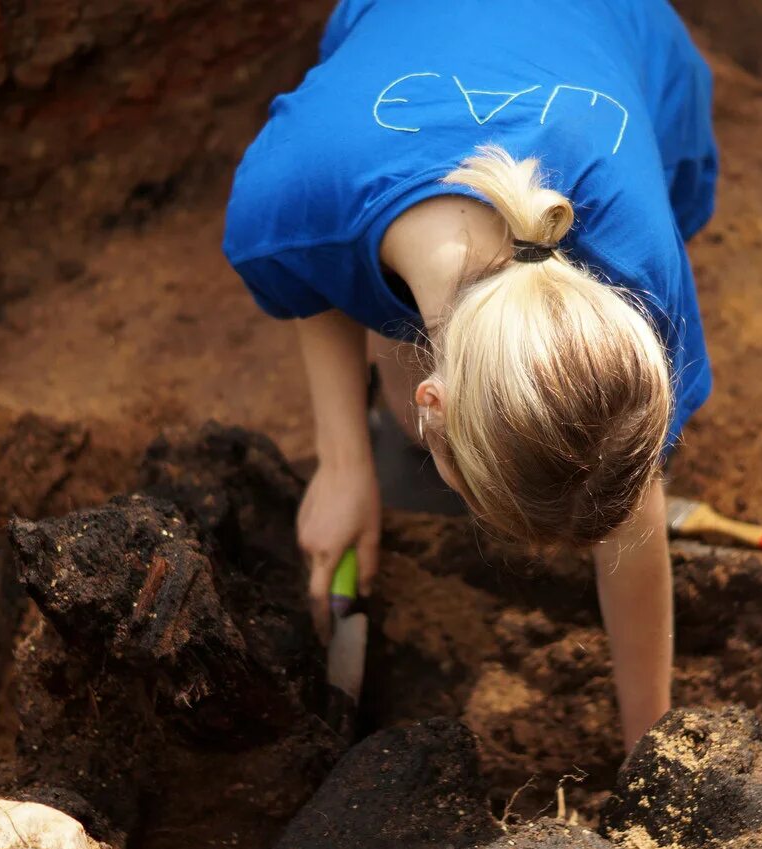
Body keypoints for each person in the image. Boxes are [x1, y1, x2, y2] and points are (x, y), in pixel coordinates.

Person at [223, 0, 717, 752]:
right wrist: (344, 461)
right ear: (436, 402)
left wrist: (650, 744)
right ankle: (393, 431)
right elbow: (308, 265)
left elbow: (631, 498)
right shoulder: (283, 196)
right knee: (386, 352)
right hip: (390, 30)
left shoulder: (641, 265)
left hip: (615, 33)